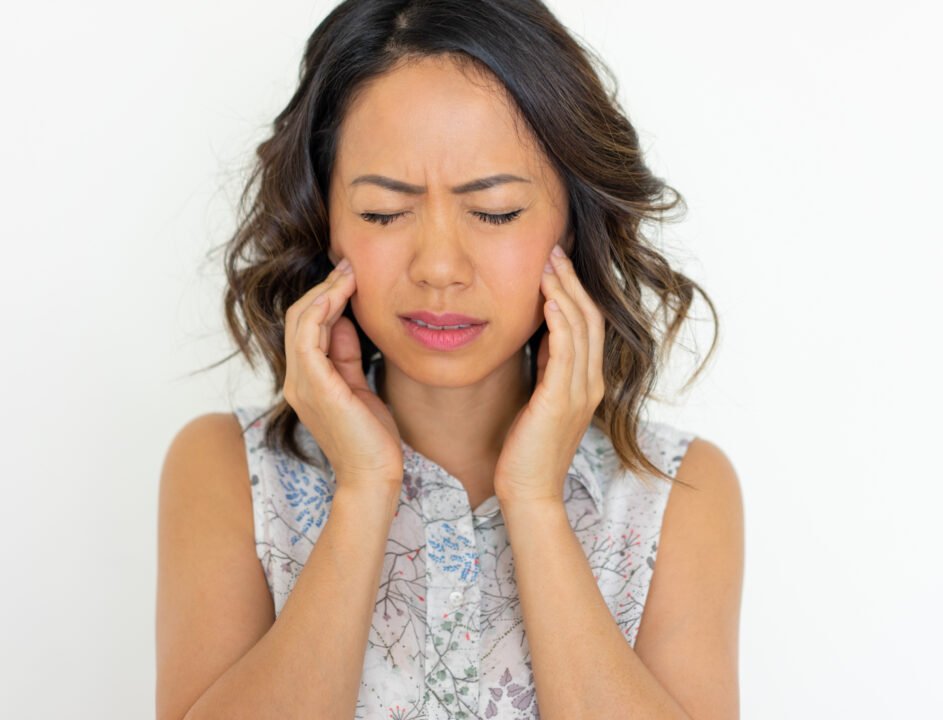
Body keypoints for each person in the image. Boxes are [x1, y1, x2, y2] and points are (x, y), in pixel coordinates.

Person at [156, 1, 744, 718]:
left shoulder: (673, 493)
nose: (439, 266)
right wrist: (364, 490)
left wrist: (535, 505)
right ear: (327, 223)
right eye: (382, 212)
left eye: (494, 211)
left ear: (573, 220)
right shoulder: (229, 473)